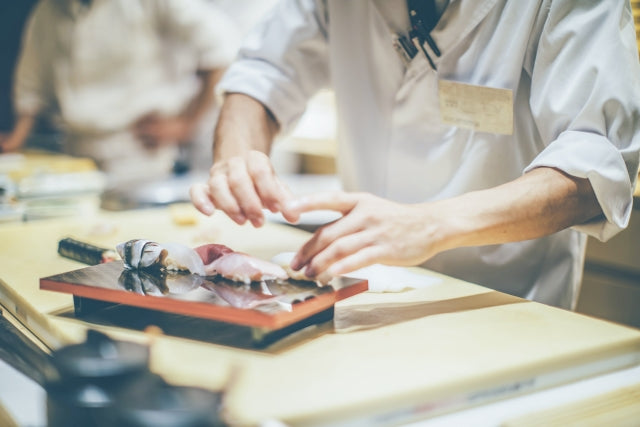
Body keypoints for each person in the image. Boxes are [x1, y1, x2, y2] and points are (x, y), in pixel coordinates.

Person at [190, 0, 640, 310]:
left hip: (504, 302)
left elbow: (596, 163)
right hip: (360, 299)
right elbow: (264, 71)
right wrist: (237, 157)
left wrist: (428, 224)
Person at [0, 0, 239, 186]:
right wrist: (17, 141)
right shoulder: (50, 9)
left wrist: (187, 124)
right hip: (73, 151)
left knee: (136, 242)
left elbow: (222, 47)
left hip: (137, 154)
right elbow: (31, 80)